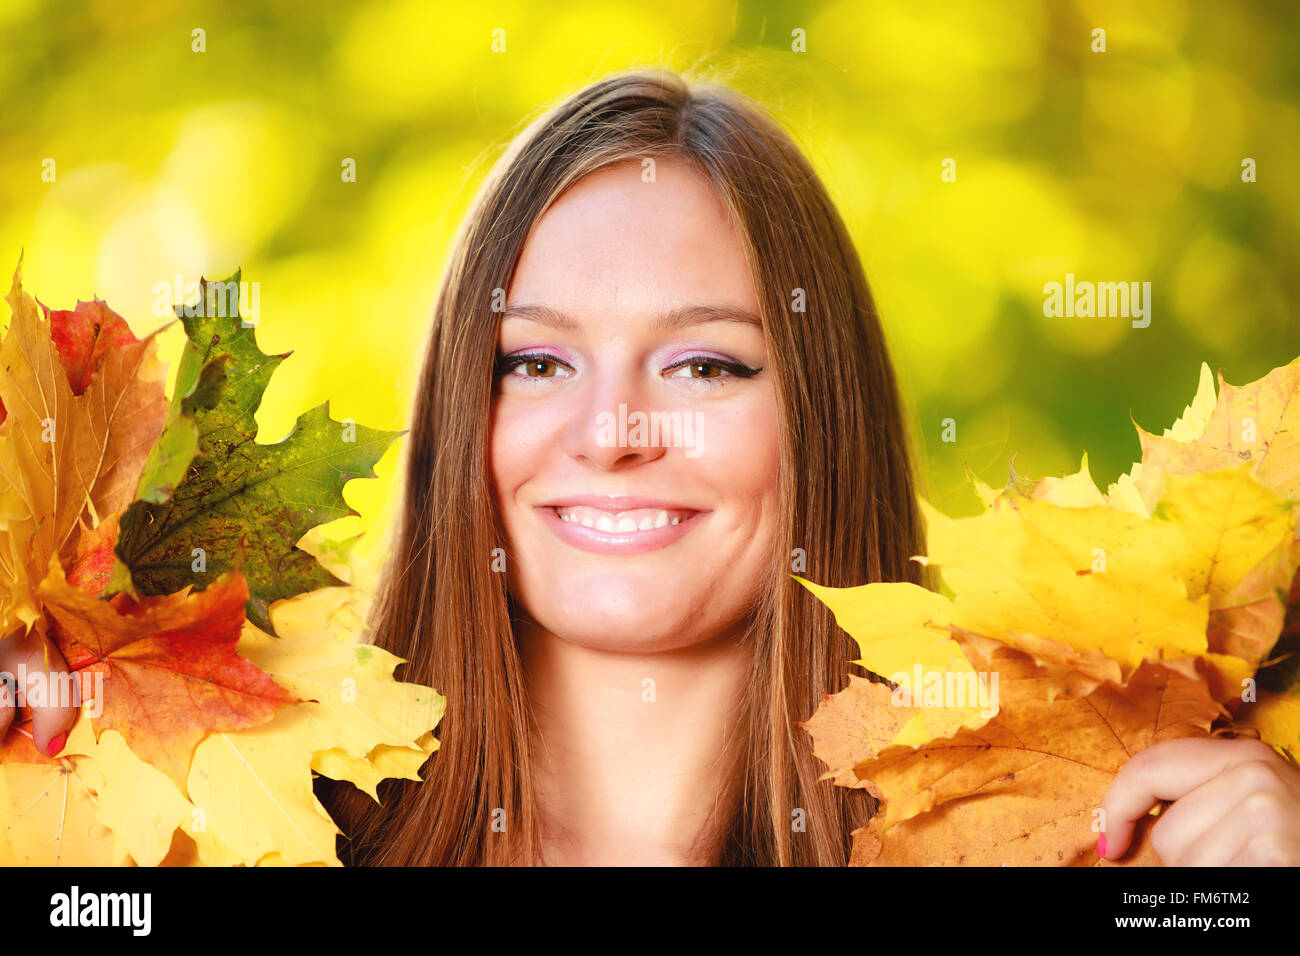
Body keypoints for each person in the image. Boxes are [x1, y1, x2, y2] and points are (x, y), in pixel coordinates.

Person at [7, 68, 1299, 867]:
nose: (614, 431)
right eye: (538, 364)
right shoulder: (213, 827)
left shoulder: (1056, 840)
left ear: (821, 420)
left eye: (704, 367)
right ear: (468, 414)